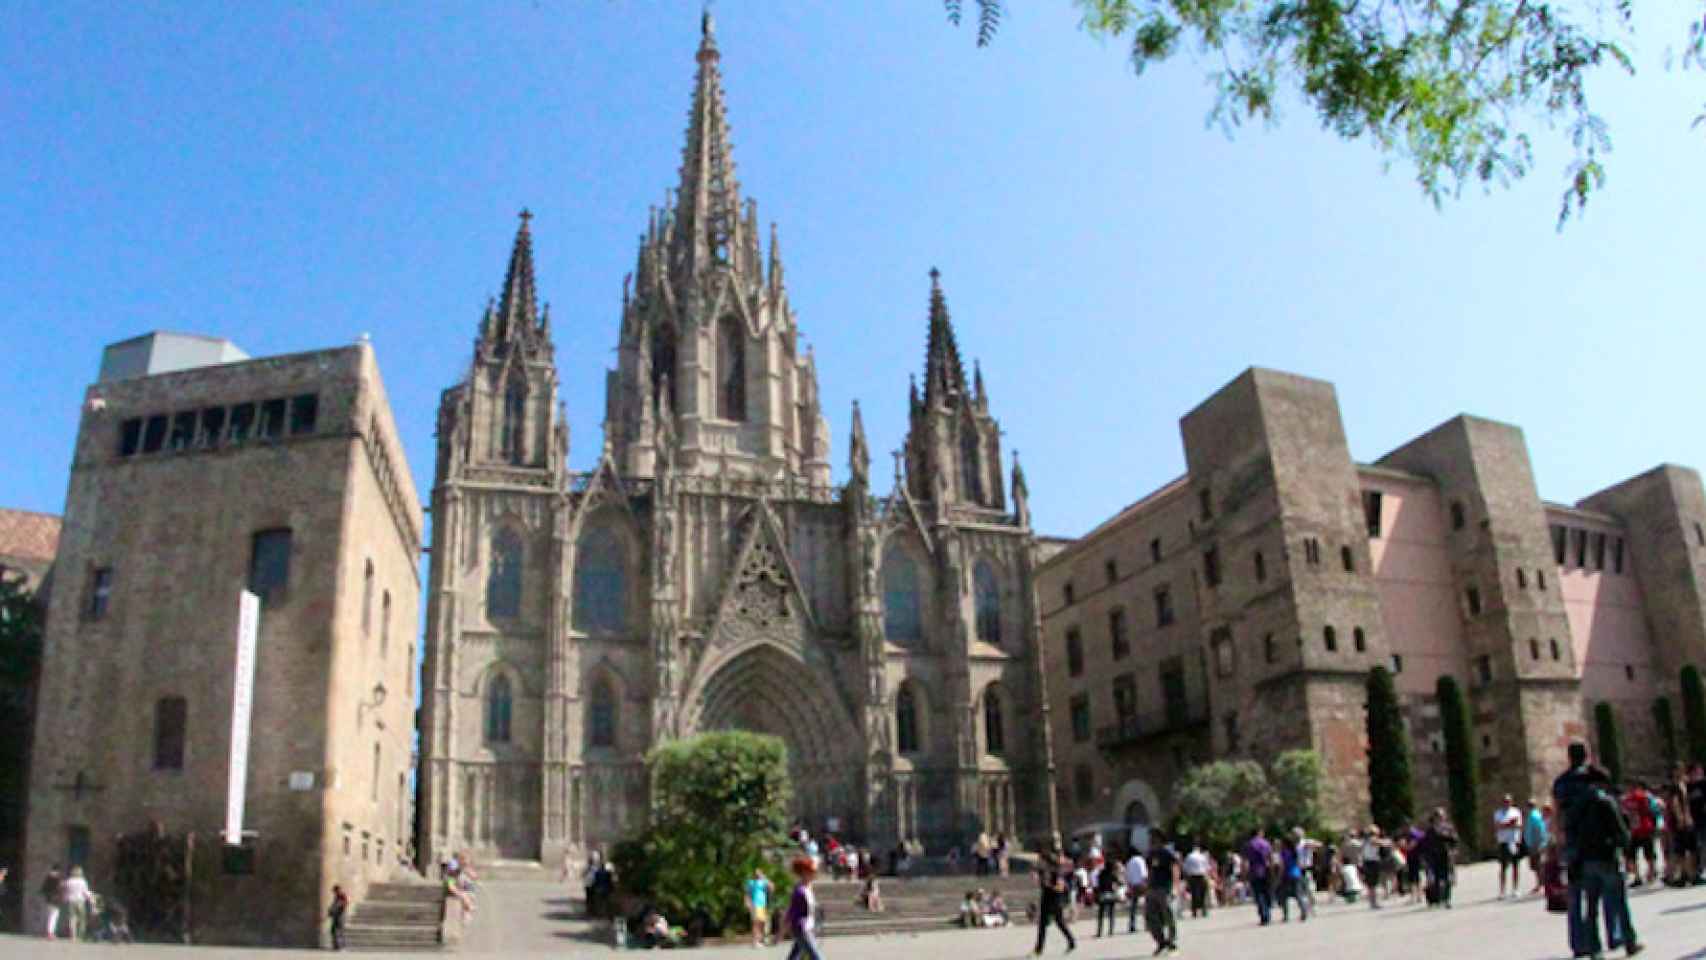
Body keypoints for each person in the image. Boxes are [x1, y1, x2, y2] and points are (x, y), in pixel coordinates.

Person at [1575, 766, 1642, 957]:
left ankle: (1594, 949)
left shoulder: (1578, 805)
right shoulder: (1606, 801)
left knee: (1591, 907)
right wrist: (1626, 850)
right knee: (1618, 902)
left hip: (1587, 860)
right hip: (1607, 856)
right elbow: (1621, 832)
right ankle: (1629, 941)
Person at [1031, 847, 1075, 955]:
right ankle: (1039, 949)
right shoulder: (1043, 870)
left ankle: (1071, 941)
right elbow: (1036, 877)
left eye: (1040, 859)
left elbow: (1060, 887)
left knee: (1058, 922)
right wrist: (1038, 879)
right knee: (1044, 924)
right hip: (1046, 896)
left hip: (1054, 898)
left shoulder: (1056, 870)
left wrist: (1049, 885)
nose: (1039, 862)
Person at [1143, 832, 1179, 956]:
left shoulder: (1166, 853)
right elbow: (1149, 871)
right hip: (1152, 888)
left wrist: (1175, 887)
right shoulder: (1150, 855)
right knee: (1150, 916)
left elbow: (1175, 868)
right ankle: (1161, 942)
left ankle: (1172, 941)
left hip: (1165, 888)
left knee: (1168, 914)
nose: (1150, 841)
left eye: (1153, 839)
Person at [1417, 809, 1460, 908]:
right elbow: (1424, 845)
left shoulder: (1448, 828)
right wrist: (1424, 858)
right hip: (1433, 857)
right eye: (1438, 817)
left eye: (1441, 816)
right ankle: (1437, 899)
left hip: (1446, 855)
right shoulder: (1430, 831)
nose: (1440, 819)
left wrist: (1454, 850)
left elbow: (1454, 840)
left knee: (1447, 878)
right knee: (1435, 879)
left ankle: (1446, 899)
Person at [1621, 781, 1659, 887]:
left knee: (1634, 854)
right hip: (1644, 828)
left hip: (1636, 829)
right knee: (1648, 853)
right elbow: (1651, 811)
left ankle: (1638, 876)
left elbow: (1624, 815)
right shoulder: (1643, 797)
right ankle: (1650, 874)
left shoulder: (1626, 800)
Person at [785, 857, 822, 960]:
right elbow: (791, 910)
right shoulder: (800, 891)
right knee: (815, 956)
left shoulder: (808, 888)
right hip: (802, 928)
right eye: (812, 872)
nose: (815, 874)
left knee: (794, 956)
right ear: (805, 873)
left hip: (808, 926)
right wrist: (783, 929)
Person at [1494, 793, 1525, 898]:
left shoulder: (1516, 812)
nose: (1506, 803)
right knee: (1503, 867)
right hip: (1503, 841)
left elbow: (1519, 825)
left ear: (1511, 802)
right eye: (1505, 801)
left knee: (1515, 866)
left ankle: (1515, 889)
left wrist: (1507, 824)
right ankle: (1502, 891)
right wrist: (1509, 824)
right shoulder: (1498, 813)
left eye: (1508, 801)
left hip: (1514, 841)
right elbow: (1498, 826)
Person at [1243, 828, 1273, 924]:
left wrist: (1245, 874)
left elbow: (1246, 861)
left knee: (1258, 894)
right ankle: (1268, 913)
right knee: (1267, 892)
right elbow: (1270, 857)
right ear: (1259, 833)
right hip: (1266, 871)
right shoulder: (1266, 843)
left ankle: (1264, 916)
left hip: (1254, 872)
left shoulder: (1249, 845)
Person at [1277, 835, 1308, 922]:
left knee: (1284, 896)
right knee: (1298, 894)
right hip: (1297, 874)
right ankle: (1304, 912)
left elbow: (1282, 865)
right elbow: (1299, 863)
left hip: (1287, 875)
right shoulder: (1295, 851)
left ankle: (1286, 916)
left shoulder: (1283, 852)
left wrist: (1279, 877)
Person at [1524, 798, 1551, 894]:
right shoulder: (1533, 815)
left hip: (1535, 845)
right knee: (1535, 866)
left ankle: (1541, 884)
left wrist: (1537, 844)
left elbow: (1539, 831)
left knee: (1538, 866)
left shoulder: (1534, 816)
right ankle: (1539, 884)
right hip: (1533, 844)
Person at [1292, 828, 1319, 916]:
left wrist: (1311, 845)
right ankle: (1304, 909)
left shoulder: (1306, 842)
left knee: (1310, 888)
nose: (1296, 836)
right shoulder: (1294, 845)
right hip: (1297, 869)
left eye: (1297, 834)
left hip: (1307, 868)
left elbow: (1319, 845)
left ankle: (1313, 906)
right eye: (1294, 834)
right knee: (1300, 890)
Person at [61, 865, 92, 941]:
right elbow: (85, 892)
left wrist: (64, 899)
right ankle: (80, 935)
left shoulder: (69, 881)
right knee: (82, 918)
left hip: (71, 901)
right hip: (80, 901)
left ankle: (73, 936)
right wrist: (90, 898)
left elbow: (66, 891)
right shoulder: (83, 881)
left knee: (72, 918)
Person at [1361, 826, 1388, 909]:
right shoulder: (1372, 839)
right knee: (1372, 883)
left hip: (1368, 862)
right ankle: (1373, 902)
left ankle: (1372, 902)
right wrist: (1386, 842)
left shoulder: (1366, 840)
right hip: (1371, 863)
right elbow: (1381, 843)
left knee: (1371, 884)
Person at [1182, 842, 1211, 918]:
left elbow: (1185, 868)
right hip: (1202, 876)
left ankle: (1194, 911)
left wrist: (1187, 877)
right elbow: (1207, 867)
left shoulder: (1189, 856)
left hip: (1193, 877)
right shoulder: (1202, 856)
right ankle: (1204, 910)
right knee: (1203, 894)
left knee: (1194, 894)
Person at [746, 867, 773, 947]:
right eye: (756, 872)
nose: (757, 874)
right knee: (755, 923)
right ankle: (755, 942)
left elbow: (772, 888)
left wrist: (765, 878)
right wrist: (748, 903)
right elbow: (747, 893)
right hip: (755, 904)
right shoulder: (751, 882)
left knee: (762, 923)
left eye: (759, 872)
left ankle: (760, 940)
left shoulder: (764, 882)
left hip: (763, 905)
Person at [1124, 843, 1148, 933]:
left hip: (1133, 885)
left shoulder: (1129, 862)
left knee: (1133, 906)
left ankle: (1132, 925)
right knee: (1146, 905)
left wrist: (1129, 886)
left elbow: (1128, 876)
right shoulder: (1140, 860)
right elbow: (1143, 873)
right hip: (1141, 884)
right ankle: (1147, 924)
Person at [1094, 855, 1120, 936]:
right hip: (1111, 894)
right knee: (1111, 913)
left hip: (1102, 894)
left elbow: (1098, 883)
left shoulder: (1101, 873)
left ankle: (1099, 931)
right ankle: (1111, 931)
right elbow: (1119, 882)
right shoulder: (1112, 874)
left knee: (1101, 914)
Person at [40, 866, 62, 939]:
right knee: (53, 916)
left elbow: (43, 890)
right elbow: (59, 889)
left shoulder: (47, 878)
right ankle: (50, 933)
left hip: (48, 900)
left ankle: (48, 932)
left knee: (49, 915)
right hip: (55, 900)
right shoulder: (57, 879)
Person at [328, 884, 350, 951]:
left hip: (340, 916)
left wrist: (339, 905)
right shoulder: (336, 897)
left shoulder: (343, 895)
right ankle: (336, 945)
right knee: (333, 930)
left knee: (340, 931)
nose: (334, 892)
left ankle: (342, 946)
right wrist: (330, 911)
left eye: (335, 891)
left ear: (338, 890)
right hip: (336, 916)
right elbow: (333, 905)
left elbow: (345, 902)